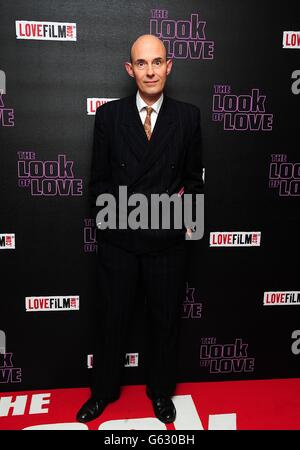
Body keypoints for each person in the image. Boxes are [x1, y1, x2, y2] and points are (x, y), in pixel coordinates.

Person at [76, 34, 204, 424]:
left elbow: (194, 182)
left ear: (169, 66)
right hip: (120, 241)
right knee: (111, 319)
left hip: (167, 241)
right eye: (142, 63)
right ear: (130, 69)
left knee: (165, 322)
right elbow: (97, 183)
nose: (151, 71)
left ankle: (161, 394)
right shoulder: (110, 116)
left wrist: (179, 226)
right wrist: (116, 225)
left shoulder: (188, 116)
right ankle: (102, 393)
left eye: (158, 62)